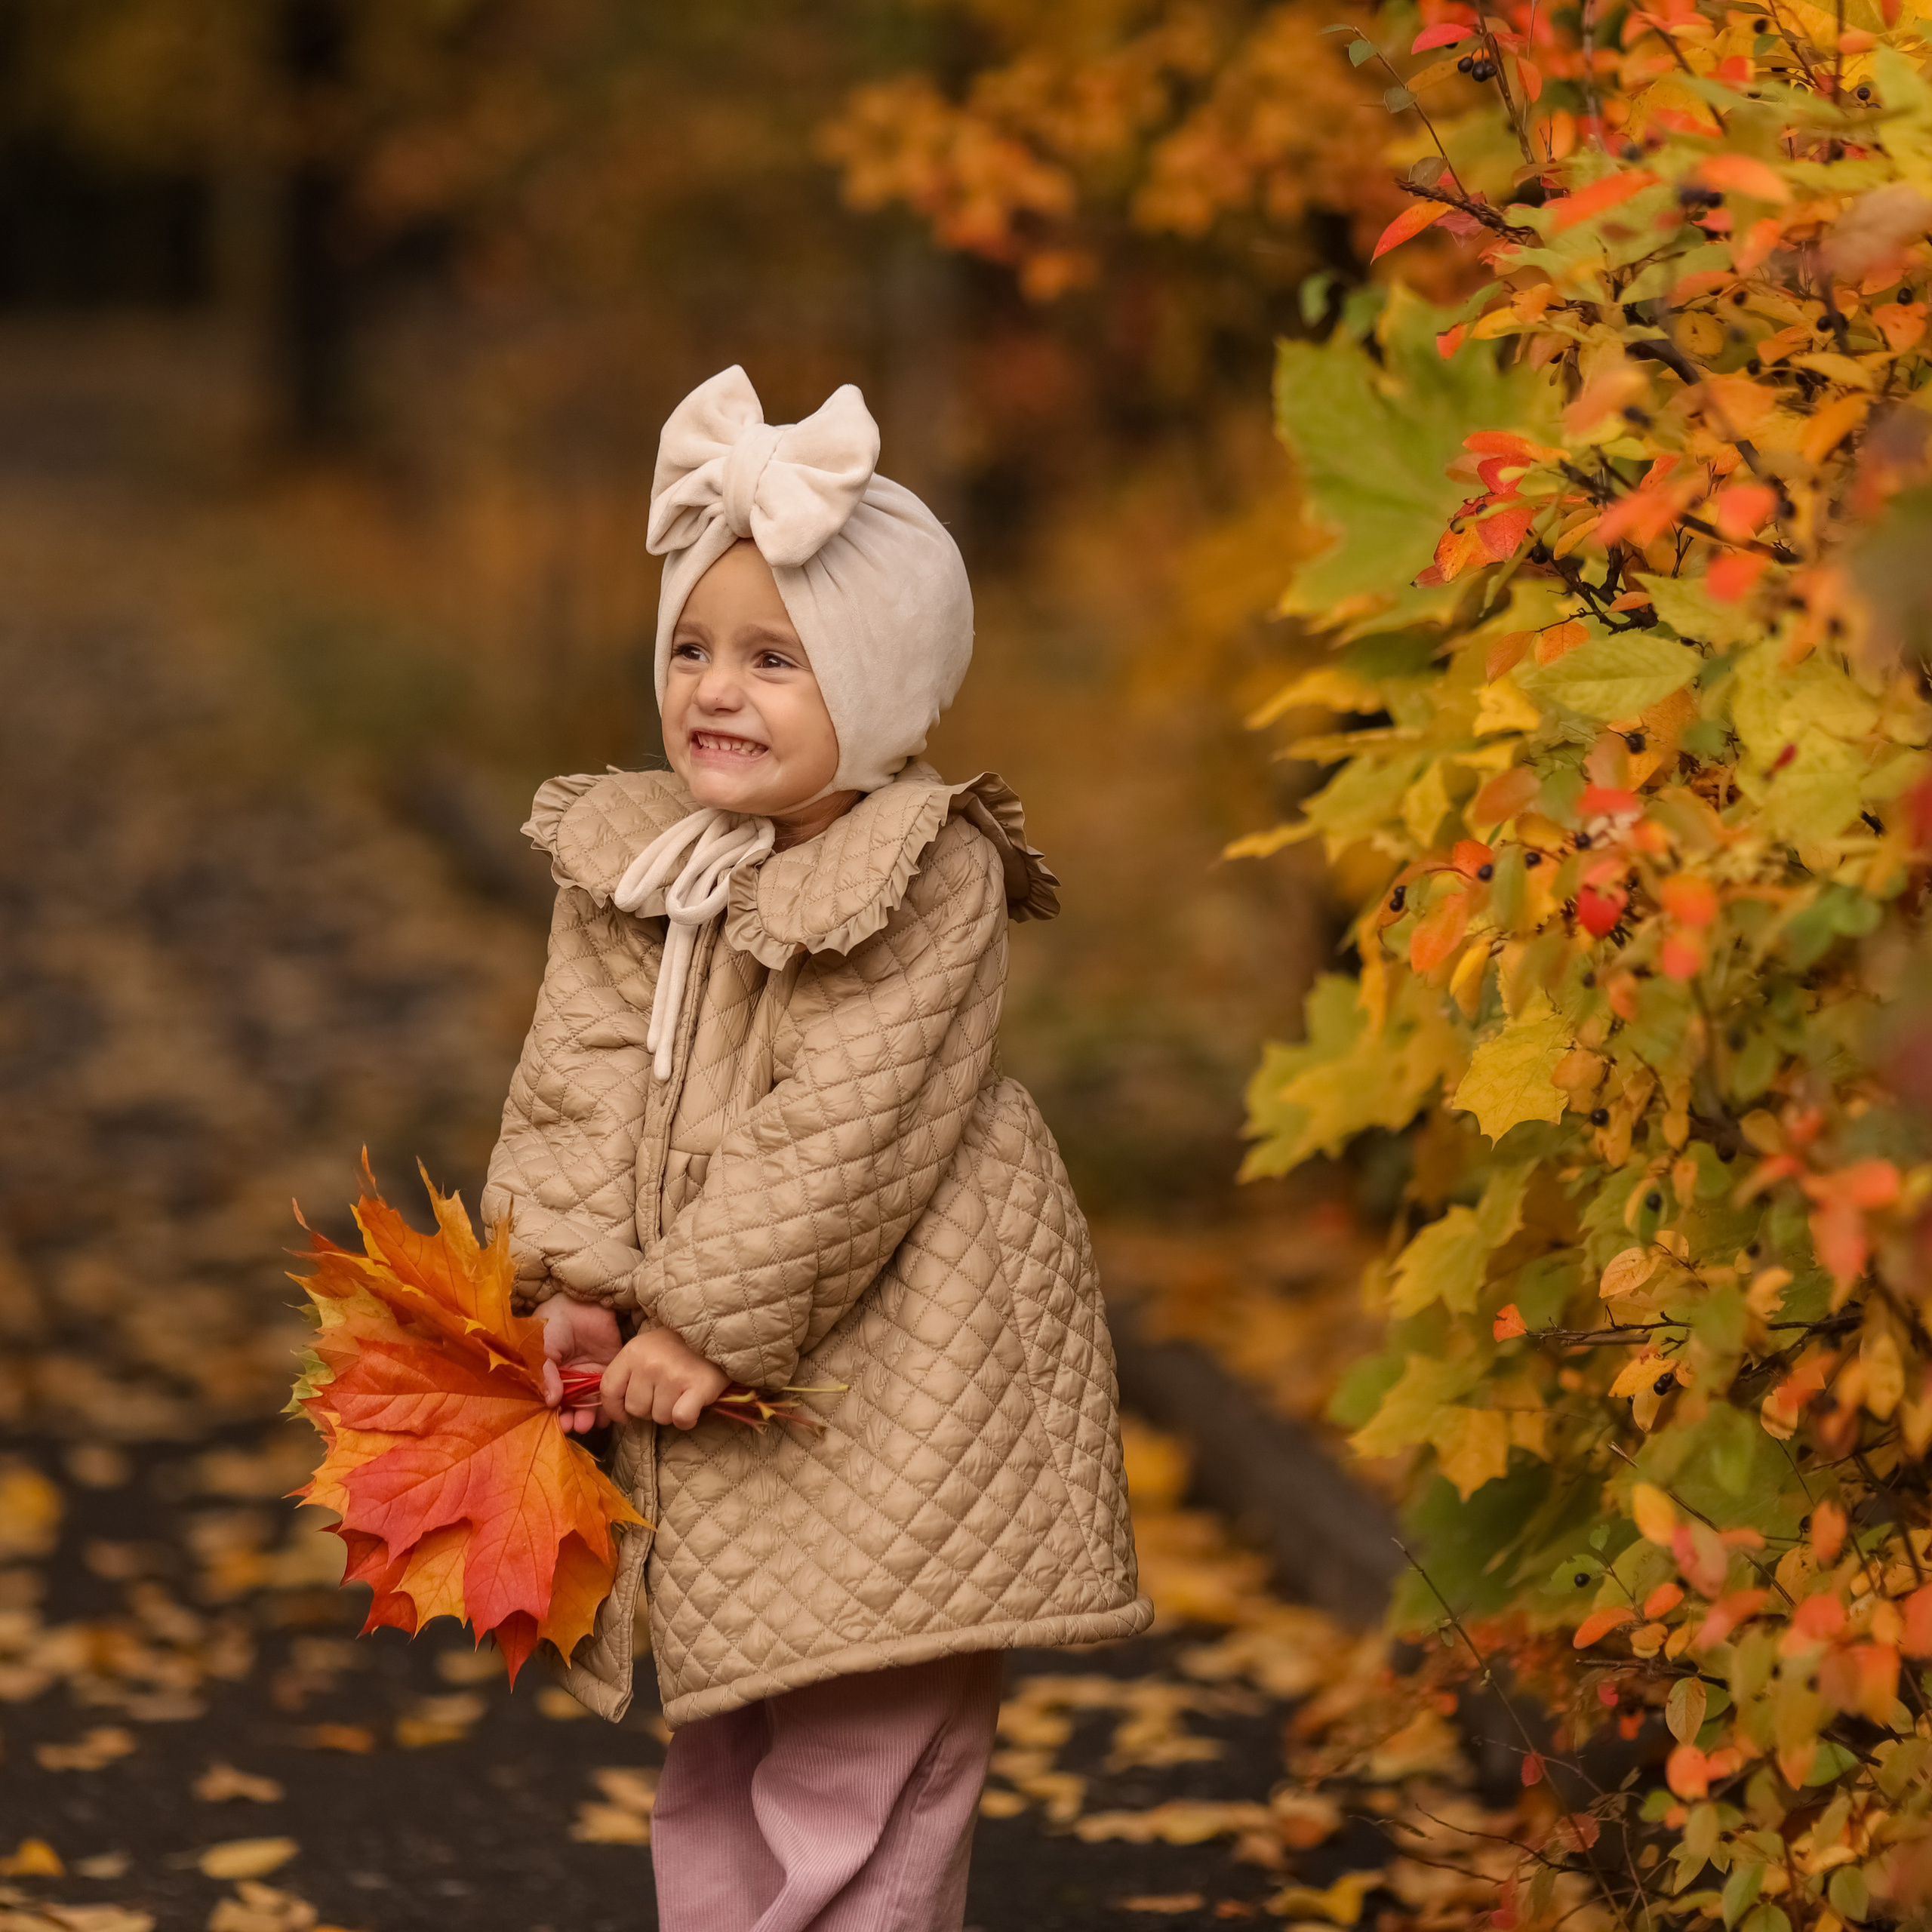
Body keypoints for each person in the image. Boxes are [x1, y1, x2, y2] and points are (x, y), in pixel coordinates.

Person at [481, 365, 1152, 1932]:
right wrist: (568, 1289)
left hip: (903, 1380)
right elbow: (576, 1082)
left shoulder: (924, 872)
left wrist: (703, 1315)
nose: (718, 688)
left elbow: (839, 1134)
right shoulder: (643, 856)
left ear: (884, 683)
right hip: (705, 1382)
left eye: (776, 659)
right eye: (694, 651)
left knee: (861, 1756)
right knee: (727, 1722)